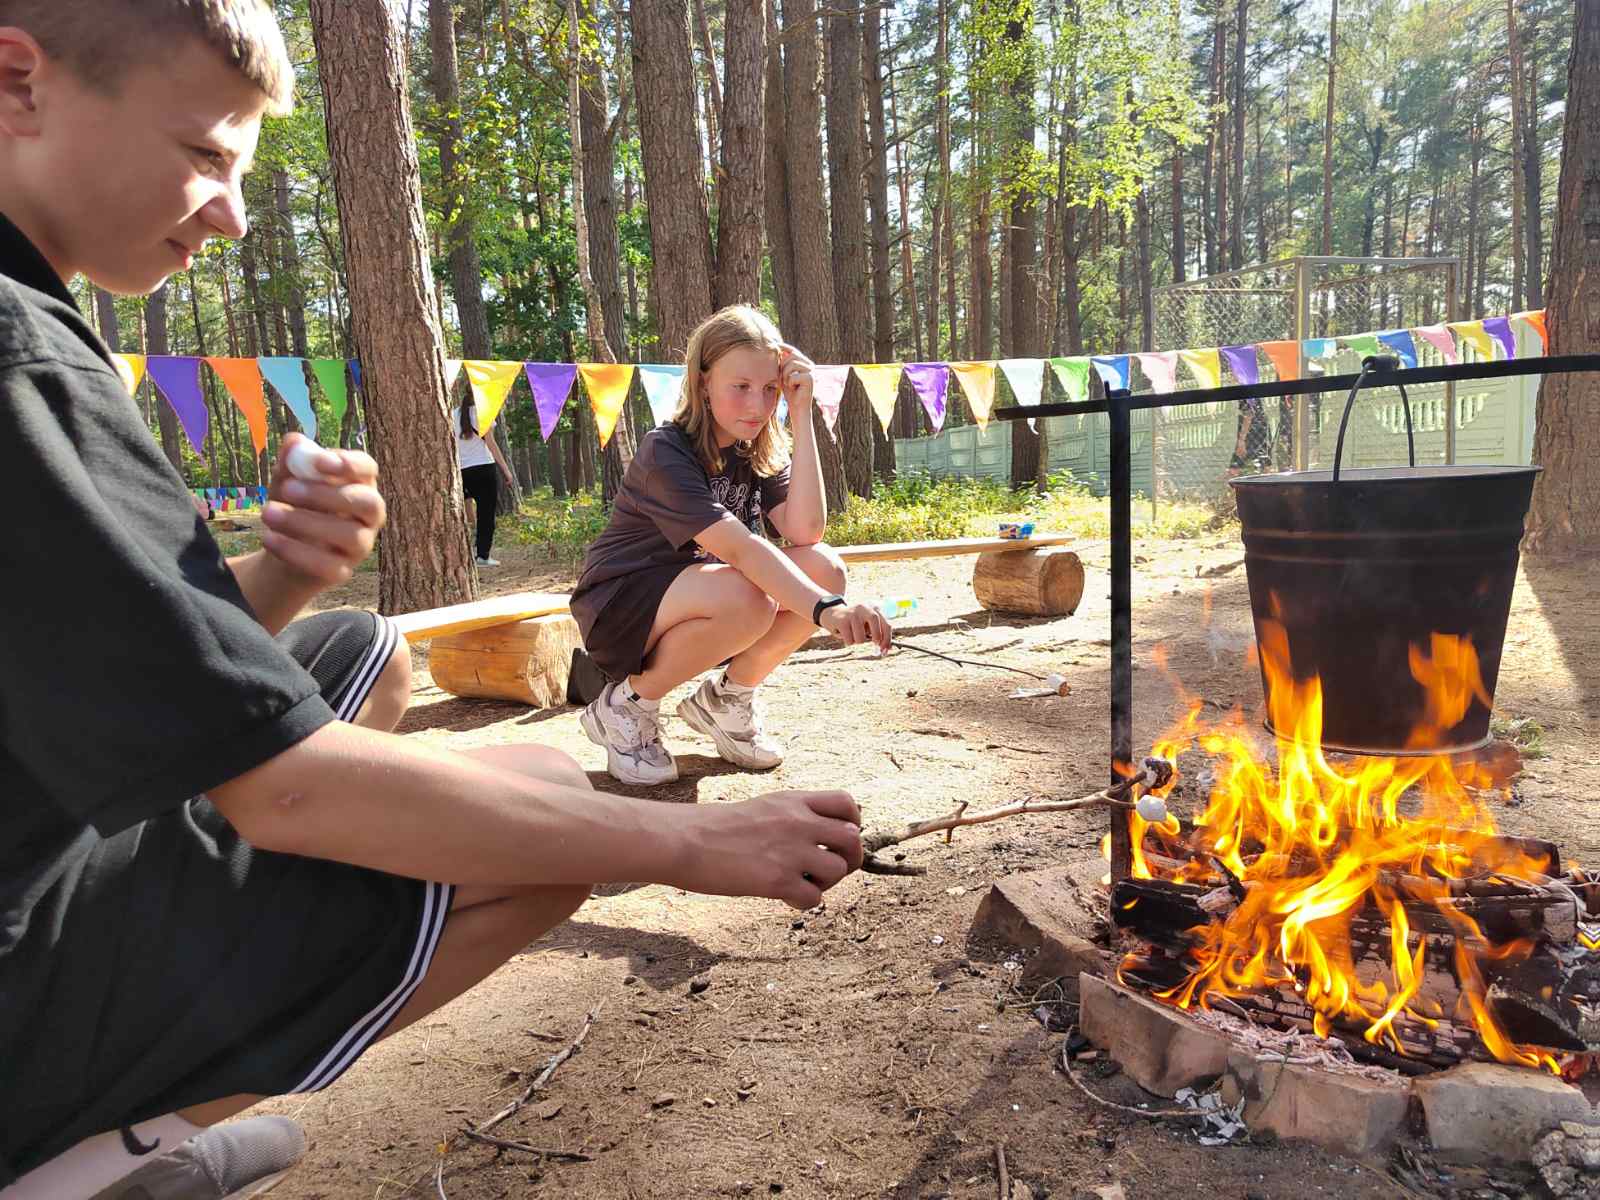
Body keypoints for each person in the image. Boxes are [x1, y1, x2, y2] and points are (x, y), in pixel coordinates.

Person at [0, 6, 863, 1199]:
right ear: (16, 83)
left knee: (361, 650)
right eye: (205, 155)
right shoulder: (22, 360)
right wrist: (687, 842)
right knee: (542, 824)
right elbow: (285, 788)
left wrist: (294, 573)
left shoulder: (37, 316)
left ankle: (126, 1125)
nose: (232, 212)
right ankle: (79, 1164)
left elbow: (95, 661)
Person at [571, 305, 892, 787]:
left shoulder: (754, 449)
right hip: (622, 606)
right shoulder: (667, 450)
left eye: (769, 389)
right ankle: (625, 707)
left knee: (824, 569)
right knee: (752, 596)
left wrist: (800, 415)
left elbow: (806, 532)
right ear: (703, 382)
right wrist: (830, 613)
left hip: (705, 601)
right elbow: (741, 549)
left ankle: (727, 700)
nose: (757, 406)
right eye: (740, 387)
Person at [452, 398, 514, 567]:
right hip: (484, 469)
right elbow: (491, 444)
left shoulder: (452, 414)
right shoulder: (483, 413)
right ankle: (482, 556)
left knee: (459, 514)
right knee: (485, 515)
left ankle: (461, 552)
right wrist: (506, 470)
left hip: (462, 470)